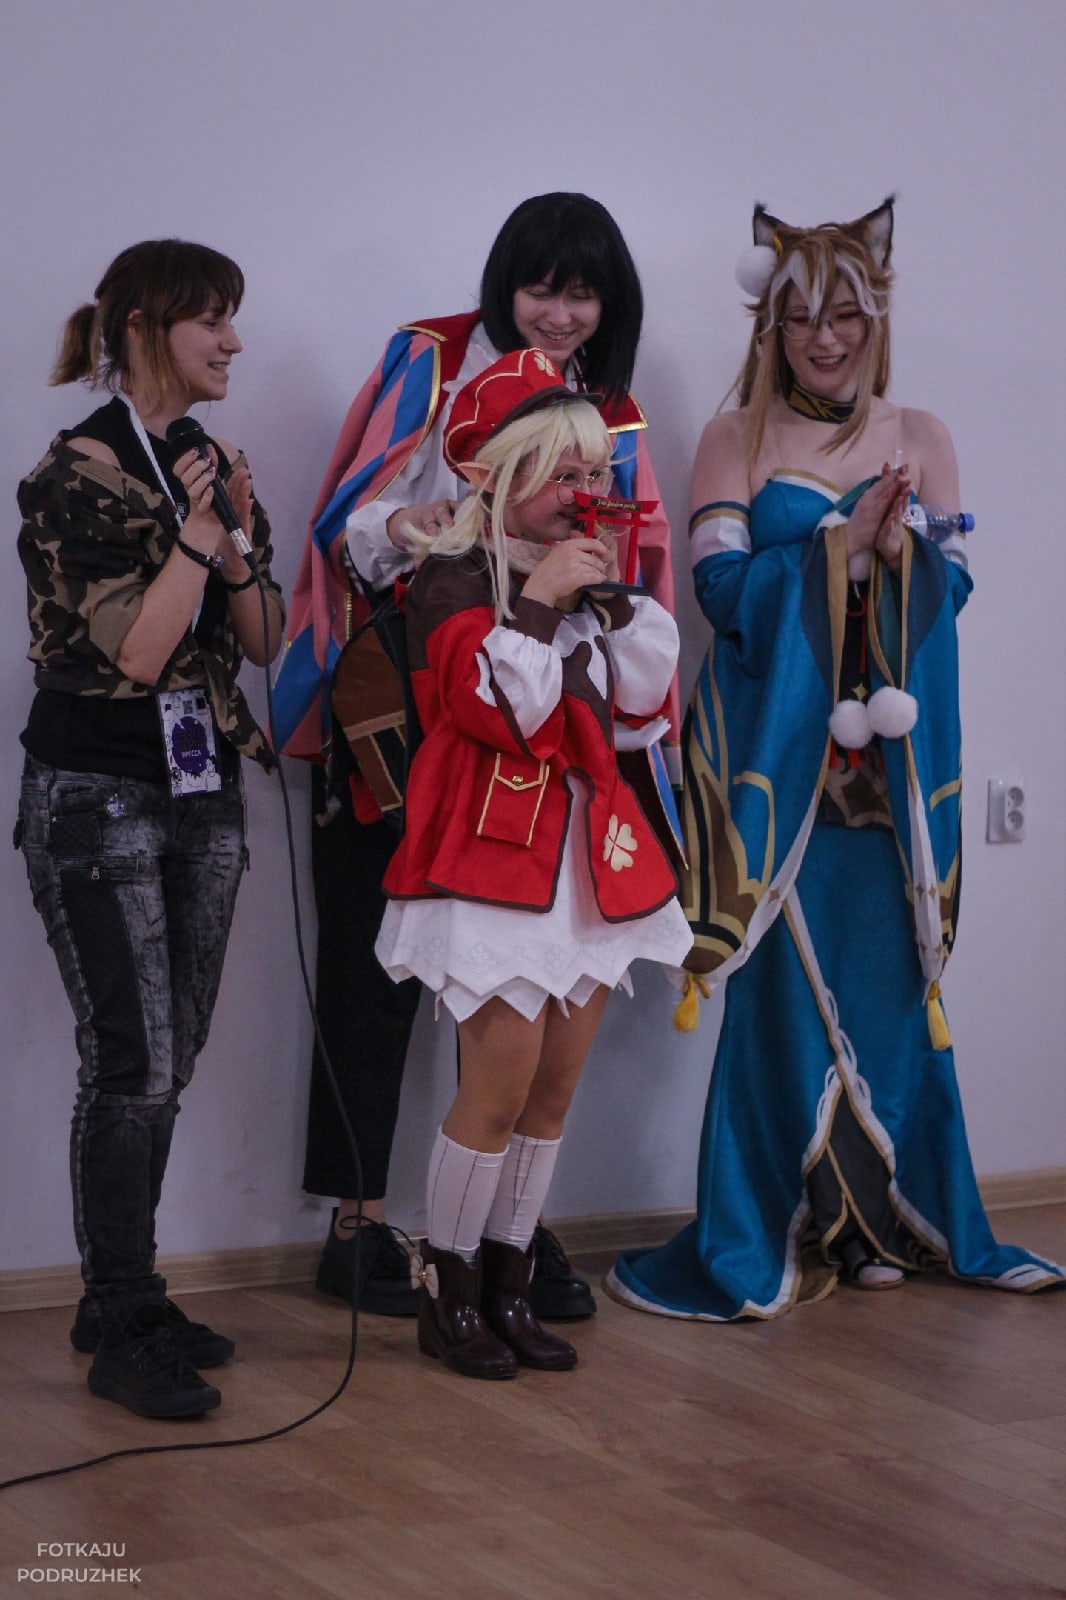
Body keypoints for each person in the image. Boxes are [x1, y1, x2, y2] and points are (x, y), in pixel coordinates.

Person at [608, 197, 1066, 1321]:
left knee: (893, 995)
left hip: (891, 780)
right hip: (779, 768)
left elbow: (953, 593)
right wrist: (841, 544)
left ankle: (882, 1224)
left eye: (846, 315)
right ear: (771, 322)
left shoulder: (923, 435)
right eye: (803, 316)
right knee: (777, 1006)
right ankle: (781, 1228)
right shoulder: (735, 438)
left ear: (876, 317)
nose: (826, 337)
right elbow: (721, 594)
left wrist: (903, 554)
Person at [274, 193, 678, 1320]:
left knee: (531, 979)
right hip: (410, 704)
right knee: (371, 971)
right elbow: (346, 526)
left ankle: (505, 1239)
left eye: (583, 293)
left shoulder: (613, 416)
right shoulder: (431, 361)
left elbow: (636, 586)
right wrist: (422, 534)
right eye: (542, 286)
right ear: (505, 283)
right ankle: (358, 1224)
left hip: (550, 727)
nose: (559, 312)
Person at [373, 347, 691, 1377]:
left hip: (583, 866)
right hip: (491, 864)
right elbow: (496, 714)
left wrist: (610, 604)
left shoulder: (588, 580)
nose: (583, 492)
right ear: (499, 474)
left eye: (594, 472)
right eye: (563, 472)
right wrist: (543, 601)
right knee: (496, 1091)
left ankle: (509, 1288)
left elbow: (635, 714)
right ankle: (449, 1292)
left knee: (552, 1093)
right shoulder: (452, 576)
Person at [16, 240, 285, 1415]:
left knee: (173, 1054)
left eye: (232, 318)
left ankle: (121, 1293)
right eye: (208, 319)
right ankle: (122, 1312)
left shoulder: (208, 464)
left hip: (200, 785)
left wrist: (234, 531)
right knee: (133, 1060)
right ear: (140, 327)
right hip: (97, 792)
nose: (232, 340)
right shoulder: (73, 473)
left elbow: (266, 639)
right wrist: (197, 533)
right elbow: (135, 652)